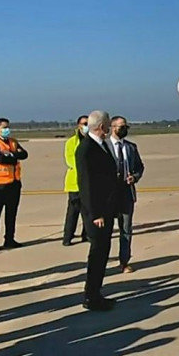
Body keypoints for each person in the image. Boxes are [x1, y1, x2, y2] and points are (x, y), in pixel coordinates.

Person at [76, 110, 122, 311]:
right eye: (109, 125)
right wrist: (96, 214)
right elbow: (86, 185)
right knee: (97, 253)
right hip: (97, 214)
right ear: (102, 127)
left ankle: (96, 292)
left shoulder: (100, 145)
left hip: (106, 210)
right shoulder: (87, 149)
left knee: (103, 253)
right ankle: (91, 296)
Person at [0, 118, 28, 252]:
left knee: (11, 213)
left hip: (14, 183)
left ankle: (9, 239)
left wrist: (11, 155)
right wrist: (14, 157)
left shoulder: (13, 142)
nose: (6, 130)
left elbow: (24, 154)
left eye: (7, 127)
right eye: (3, 127)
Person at [108, 116, 145, 273]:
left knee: (126, 229)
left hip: (126, 192)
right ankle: (102, 261)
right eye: (120, 126)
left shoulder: (131, 147)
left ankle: (124, 261)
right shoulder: (105, 146)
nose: (123, 129)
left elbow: (139, 166)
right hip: (109, 194)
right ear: (112, 127)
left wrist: (134, 177)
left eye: (125, 127)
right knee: (106, 231)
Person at [62, 115, 89, 246]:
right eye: (84, 123)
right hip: (75, 182)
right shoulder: (72, 142)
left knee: (88, 211)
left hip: (90, 183)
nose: (86, 126)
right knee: (73, 212)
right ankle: (68, 236)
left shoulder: (94, 140)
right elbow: (70, 160)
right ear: (78, 126)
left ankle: (87, 234)